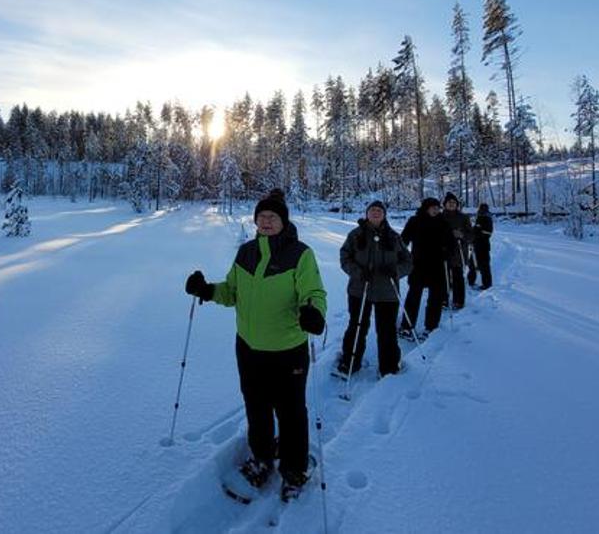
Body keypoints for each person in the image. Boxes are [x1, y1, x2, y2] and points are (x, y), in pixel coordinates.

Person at [185, 191, 327, 502]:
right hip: (248, 348)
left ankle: (294, 469)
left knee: (290, 412)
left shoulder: (300, 254)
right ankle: (262, 459)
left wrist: (313, 312)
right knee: (256, 406)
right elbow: (232, 291)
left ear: (283, 221)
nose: (266, 221)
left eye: (272, 217)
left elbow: (313, 291)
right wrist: (207, 290)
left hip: (288, 349)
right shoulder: (245, 253)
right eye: (261, 216)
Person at [337, 200, 412, 377]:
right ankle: (350, 362)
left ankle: (389, 366)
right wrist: (358, 272)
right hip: (359, 289)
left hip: (388, 292)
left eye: (379, 210)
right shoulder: (355, 235)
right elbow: (344, 257)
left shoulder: (394, 237)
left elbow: (408, 262)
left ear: (384, 214)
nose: (376, 212)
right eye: (372, 210)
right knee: (357, 326)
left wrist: (395, 271)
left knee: (386, 330)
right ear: (367, 213)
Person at [399, 197, 456, 338]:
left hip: (438, 265)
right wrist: (398, 254)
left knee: (435, 298)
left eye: (437, 207)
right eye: (433, 207)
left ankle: (431, 327)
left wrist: (447, 252)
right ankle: (406, 326)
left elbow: (452, 243)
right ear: (426, 207)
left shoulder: (443, 223)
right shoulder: (415, 221)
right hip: (418, 264)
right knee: (414, 296)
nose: (436, 210)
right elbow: (403, 240)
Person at [440, 192, 474, 310]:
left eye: (454, 202)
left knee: (458, 277)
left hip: (458, 252)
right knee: (443, 276)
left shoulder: (463, 217)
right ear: (444, 204)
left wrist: (462, 235)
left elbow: (471, 235)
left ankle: (458, 301)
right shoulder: (439, 217)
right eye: (449, 202)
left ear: (457, 205)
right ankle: (443, 299)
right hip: (443, 251)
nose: (451, 204)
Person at [469, 203, 494, 289]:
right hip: (475, 244)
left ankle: (487, 284)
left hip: (484, 246)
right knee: (472, 263)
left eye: (483, 209)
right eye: (481, 208)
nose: (482, 210)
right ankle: (470, 281)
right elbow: (476, 229)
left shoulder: (488, 218)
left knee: (484, 265)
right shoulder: (479, 216)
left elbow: (488, 232)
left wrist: (478, 231)